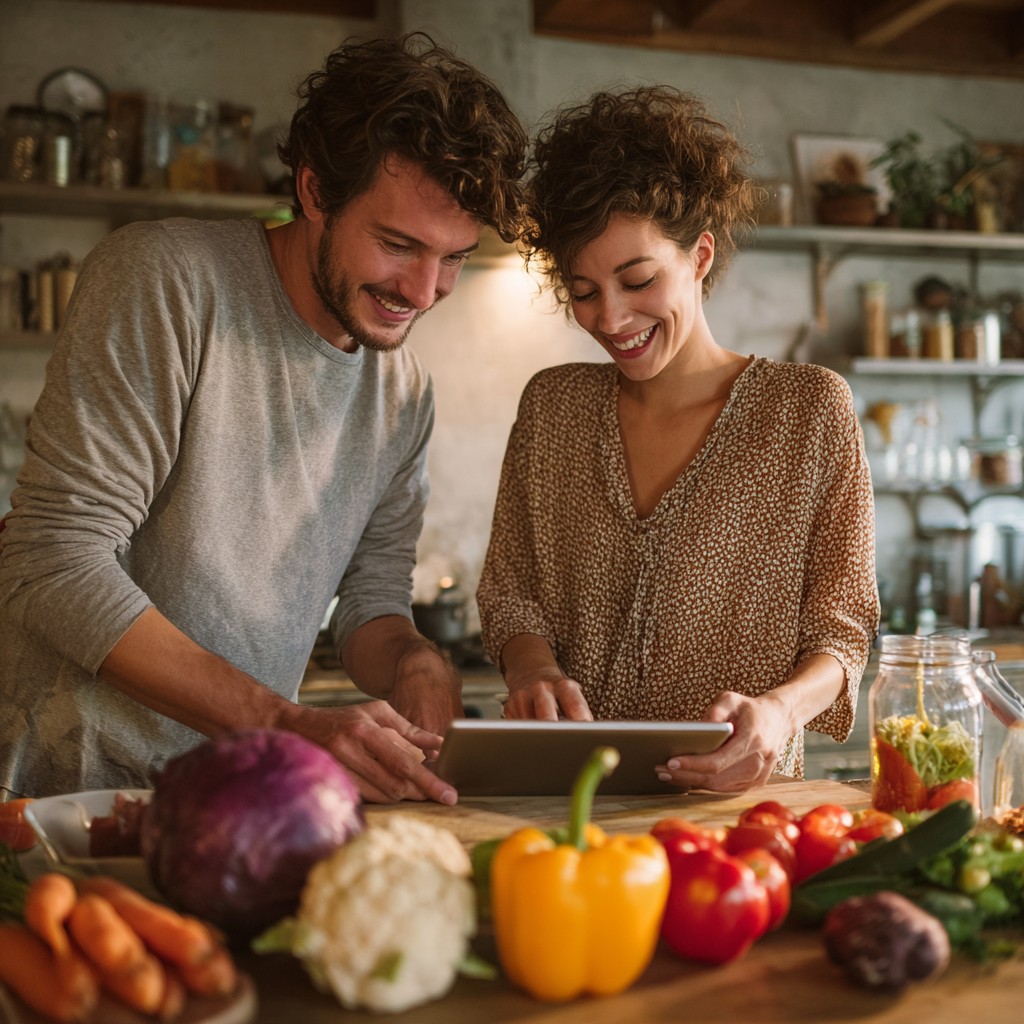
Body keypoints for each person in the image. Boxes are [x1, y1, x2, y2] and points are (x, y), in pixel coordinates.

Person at [0, 36, 527, 803]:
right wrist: (282, 722)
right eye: (397, 244)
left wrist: (417, 665)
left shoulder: (404, 394)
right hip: (68, 795)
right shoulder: (166, 282)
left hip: (239, 804)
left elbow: (371, 604)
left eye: (454, 257)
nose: (423, 289)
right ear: (314, 191)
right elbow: (54, 560)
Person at [477, 87, 878, 790]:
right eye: (584, 290)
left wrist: (780, 713)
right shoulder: (552, 410)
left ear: (699, 256)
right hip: (572, 806)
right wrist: (531, 667)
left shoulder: (807, 411)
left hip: (735, 813)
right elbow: (512, 595)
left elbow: (841, 636)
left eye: (637, 279)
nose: (612, 317)